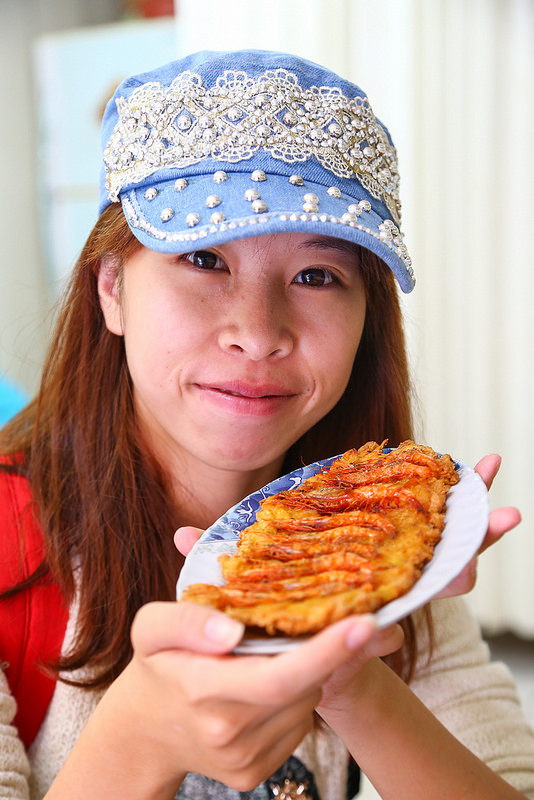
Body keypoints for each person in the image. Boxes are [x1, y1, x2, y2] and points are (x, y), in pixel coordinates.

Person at [0, 48, 532, 800]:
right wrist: (137, 736)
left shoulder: (369, 533)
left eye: (317, 276)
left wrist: (349, 672)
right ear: (111, 291)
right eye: (204, 258)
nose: (258, 332)